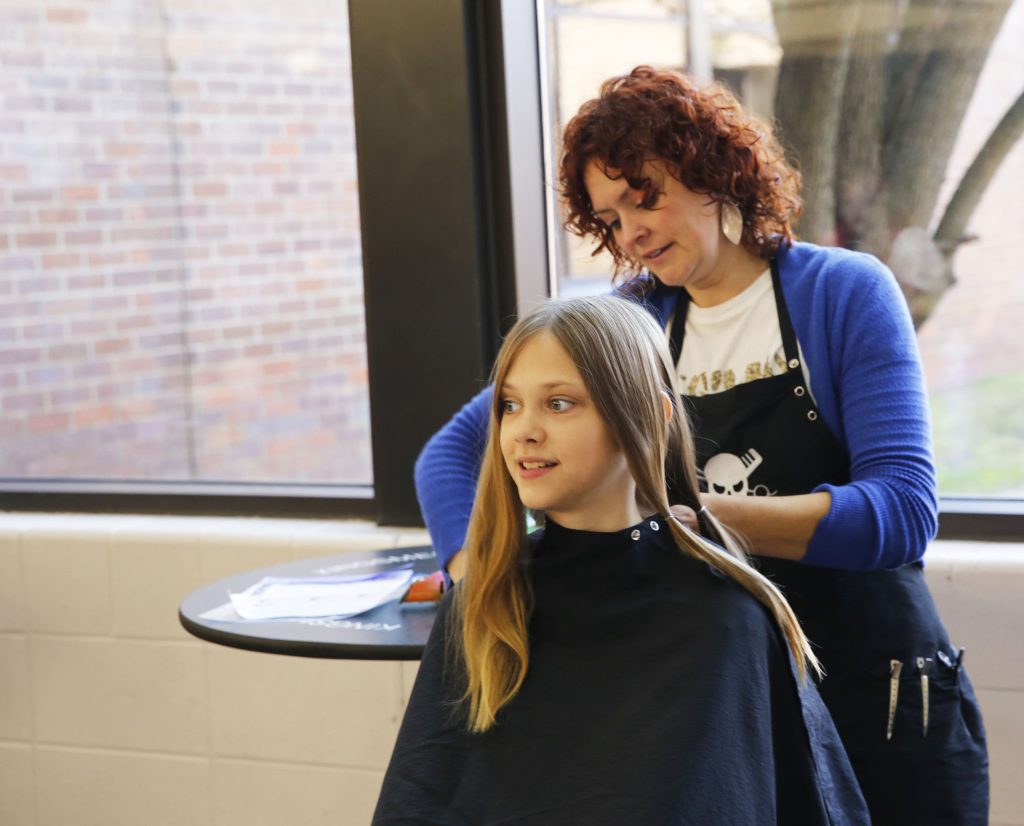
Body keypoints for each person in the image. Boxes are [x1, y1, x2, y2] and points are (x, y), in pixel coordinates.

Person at [414, 67, 988, 825]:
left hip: (873, 690)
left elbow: (901, 512)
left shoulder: (843, 292)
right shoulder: (628, 326)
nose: (633, 232)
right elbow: (452, 454)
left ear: (714, 171)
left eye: (644, 195)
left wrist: (696, 515)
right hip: (725, 699)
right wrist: (481, 571)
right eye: (611, 218)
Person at [375, 295, 869, 825]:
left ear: (650, 415)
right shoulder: (481, 606)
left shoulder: (723, 621)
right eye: (510, 406)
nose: (523, 431)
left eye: (560, 403)